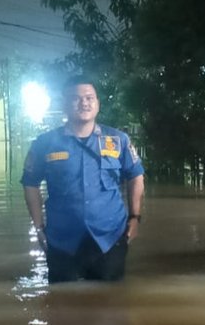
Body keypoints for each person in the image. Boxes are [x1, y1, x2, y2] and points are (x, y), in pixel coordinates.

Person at [21, 77, 144, 283]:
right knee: (62, 306)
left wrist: (135, 218)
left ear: (97, 103)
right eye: (76, 99)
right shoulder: (45, 143)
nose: (84, 103)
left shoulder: (118, 140)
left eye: (89, 98)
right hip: (62, 240)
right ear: (63, 105)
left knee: (112, 305)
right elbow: (30, 184)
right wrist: (39, 227)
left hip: (110, 237)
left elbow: (136, 176)